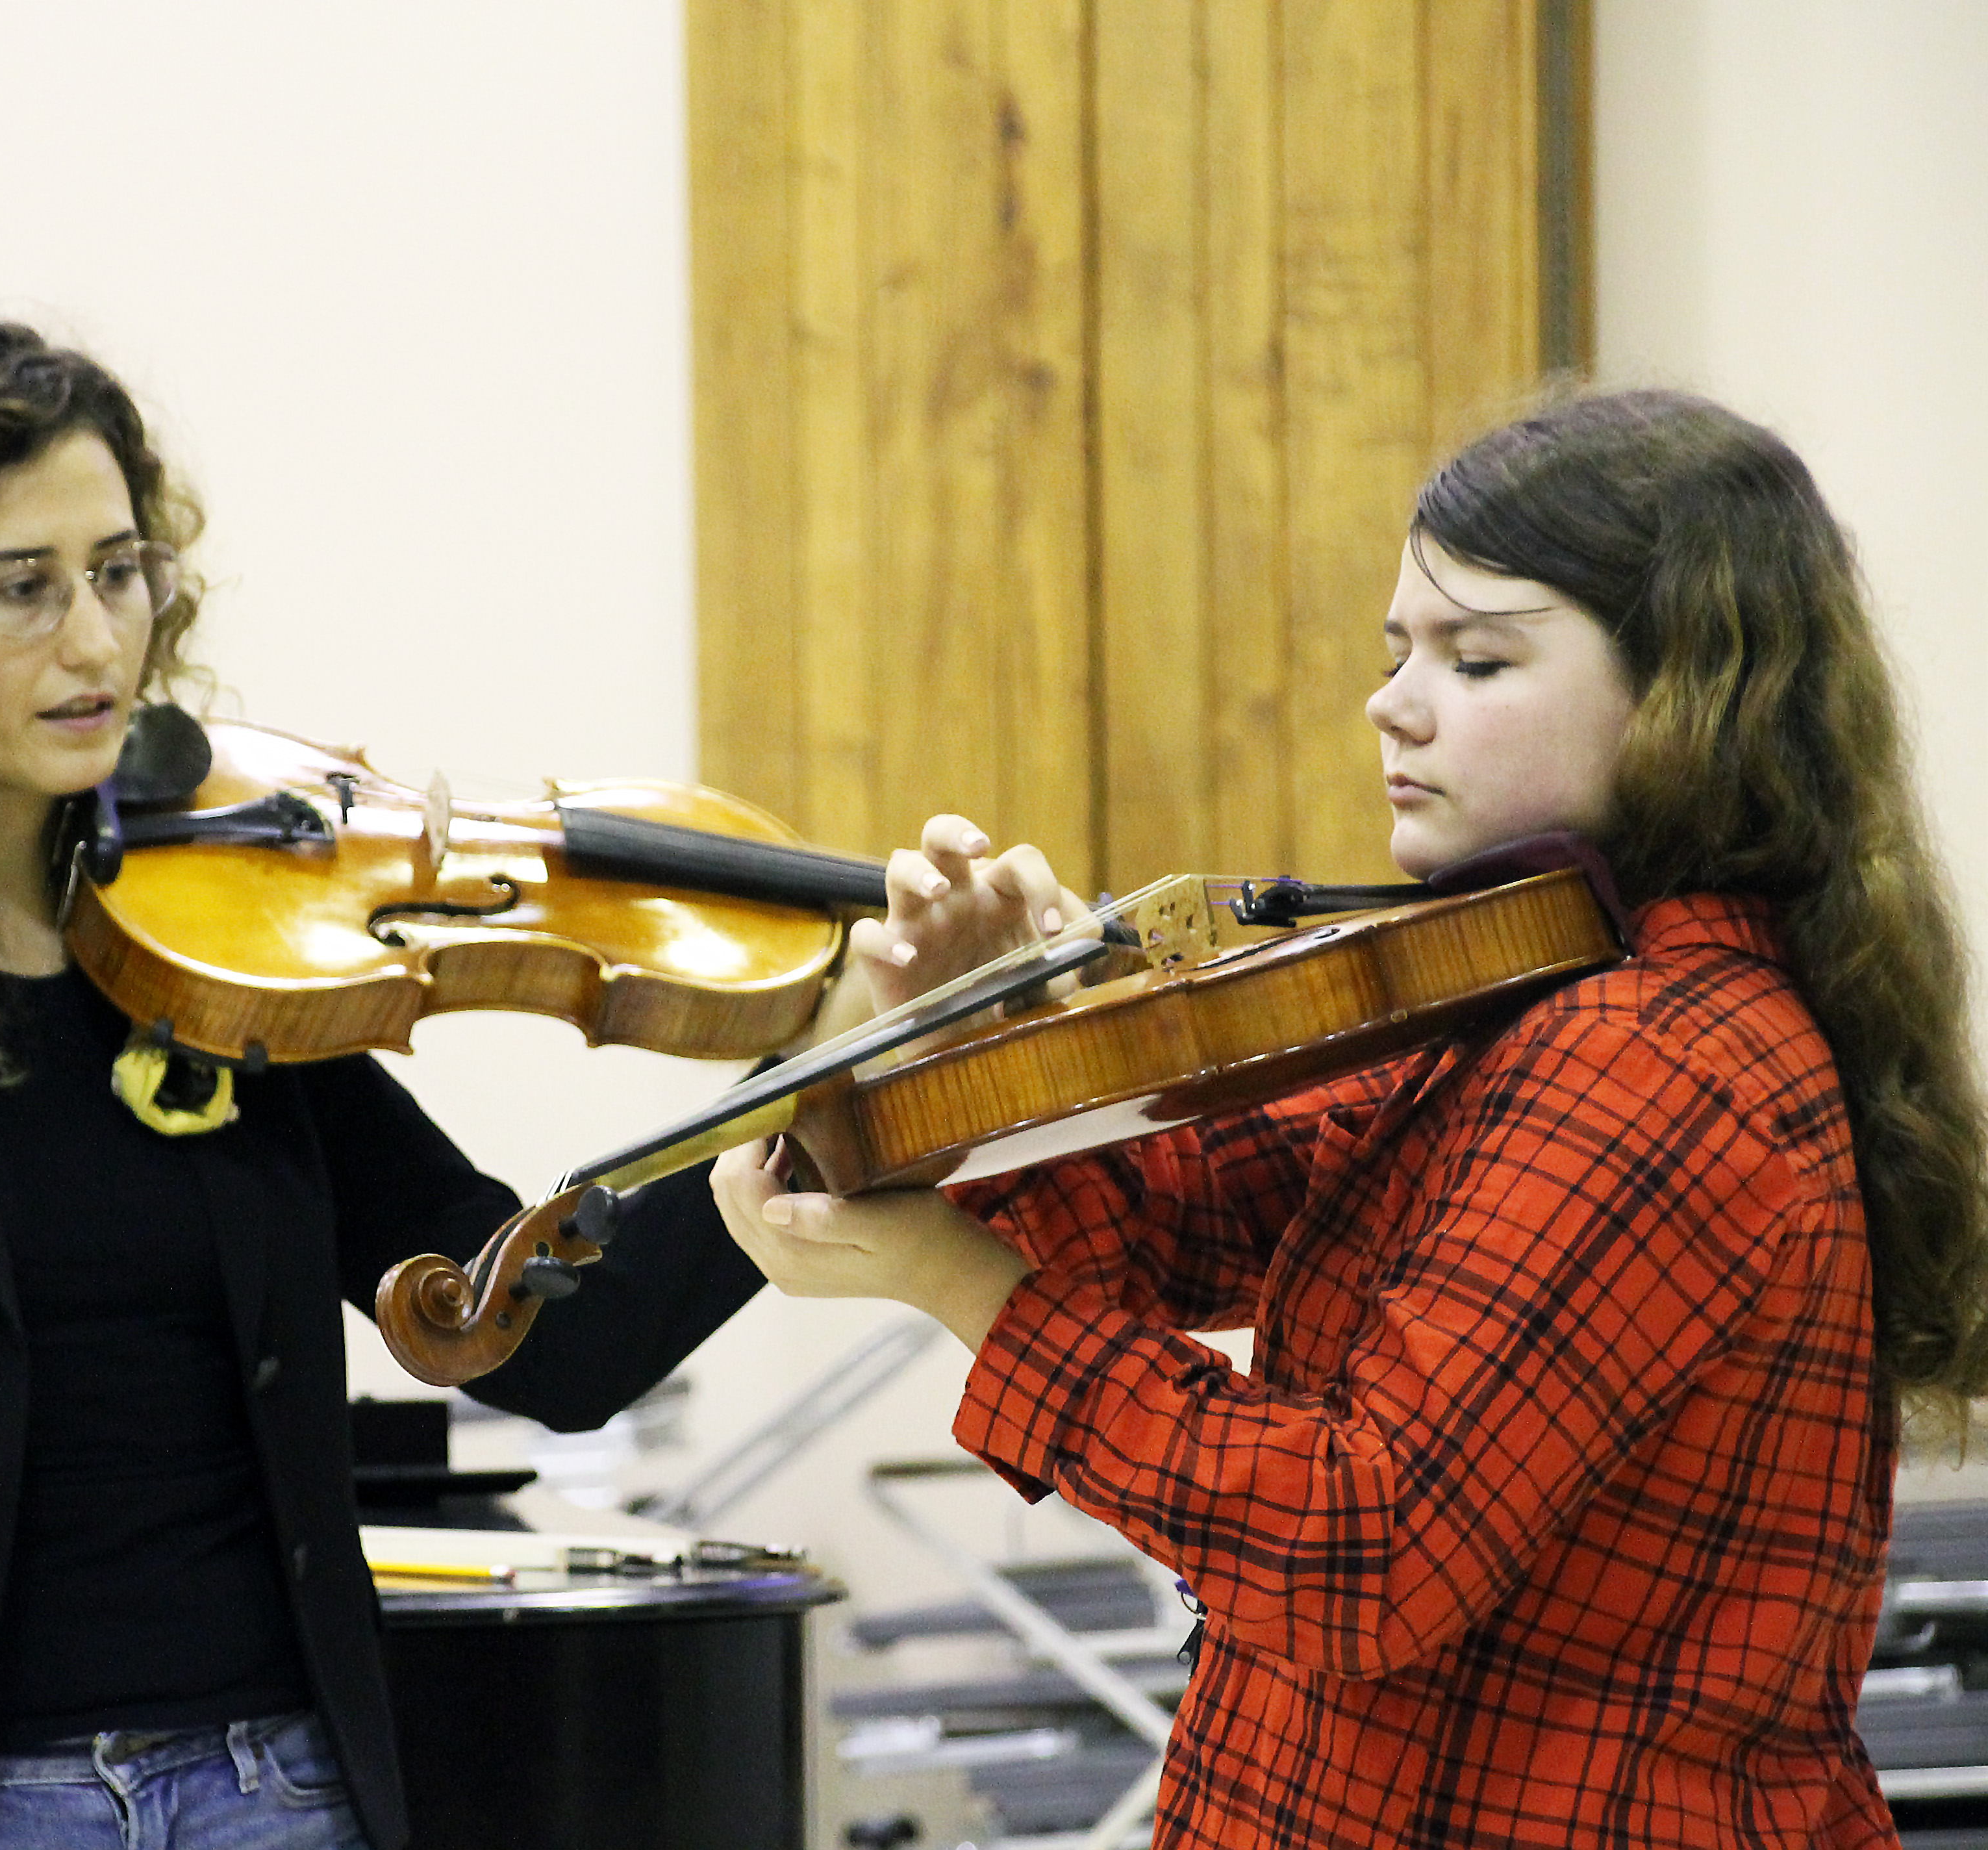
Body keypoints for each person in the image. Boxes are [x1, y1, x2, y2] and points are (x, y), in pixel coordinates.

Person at [0, 319, 772, 1850]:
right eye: (25, 586)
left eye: (118, 571)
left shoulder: (218, 936)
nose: (99, 641)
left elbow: (537, 1338)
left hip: (267, 1789)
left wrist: (827, 1096)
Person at [712, 388, 1988, 1847]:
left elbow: (1358, 1548)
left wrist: (954, 1281)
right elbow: (1183, 1221)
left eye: (1479, 654)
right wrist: (991, 1035)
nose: (1393, 700)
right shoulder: (1515, 988)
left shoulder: (1664, 1060)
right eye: (1400, 650)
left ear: (1690, 698)